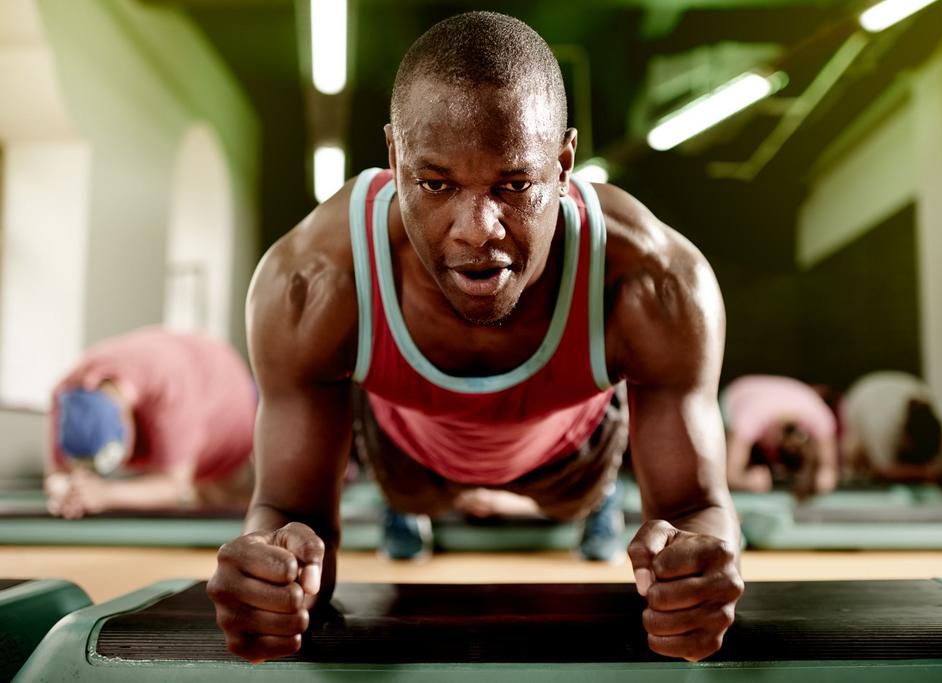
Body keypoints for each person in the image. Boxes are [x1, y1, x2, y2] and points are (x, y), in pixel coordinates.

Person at [207, 12, 742, 664]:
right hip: (408, 463)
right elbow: (288, 508)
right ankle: (417, 509)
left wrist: (697, 573)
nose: (476, 231)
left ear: (565, 163)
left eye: (515, 185)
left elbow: (696, 505)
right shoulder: (312, 282)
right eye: (435, 184)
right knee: (398, 494)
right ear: (395, 157)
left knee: (589, 494)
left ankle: (602, 503)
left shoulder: (655, 281)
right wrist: (279, 576)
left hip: (570, 463)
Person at [45, 327, 257, 518]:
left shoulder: (169, 389)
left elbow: (175, 486)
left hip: (229, 401)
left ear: (125, 421)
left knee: (225, 505)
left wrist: (105, 494)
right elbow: (57, 474)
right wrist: (67, 490)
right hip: (179, 384)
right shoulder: (65, 393)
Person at [722, 375, 838, 498]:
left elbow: (829, 468)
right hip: (735, 395)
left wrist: (823, 476)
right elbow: (731, 474)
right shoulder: (751, 416)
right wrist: (746, 481)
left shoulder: (820, 417)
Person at [842, 371, 942, 482]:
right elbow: (883, 470)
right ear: (905, 438)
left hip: (900, 388)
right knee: (855, 457)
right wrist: (926, 474)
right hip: (862, 395)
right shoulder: (880, 427)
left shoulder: (941, 419)